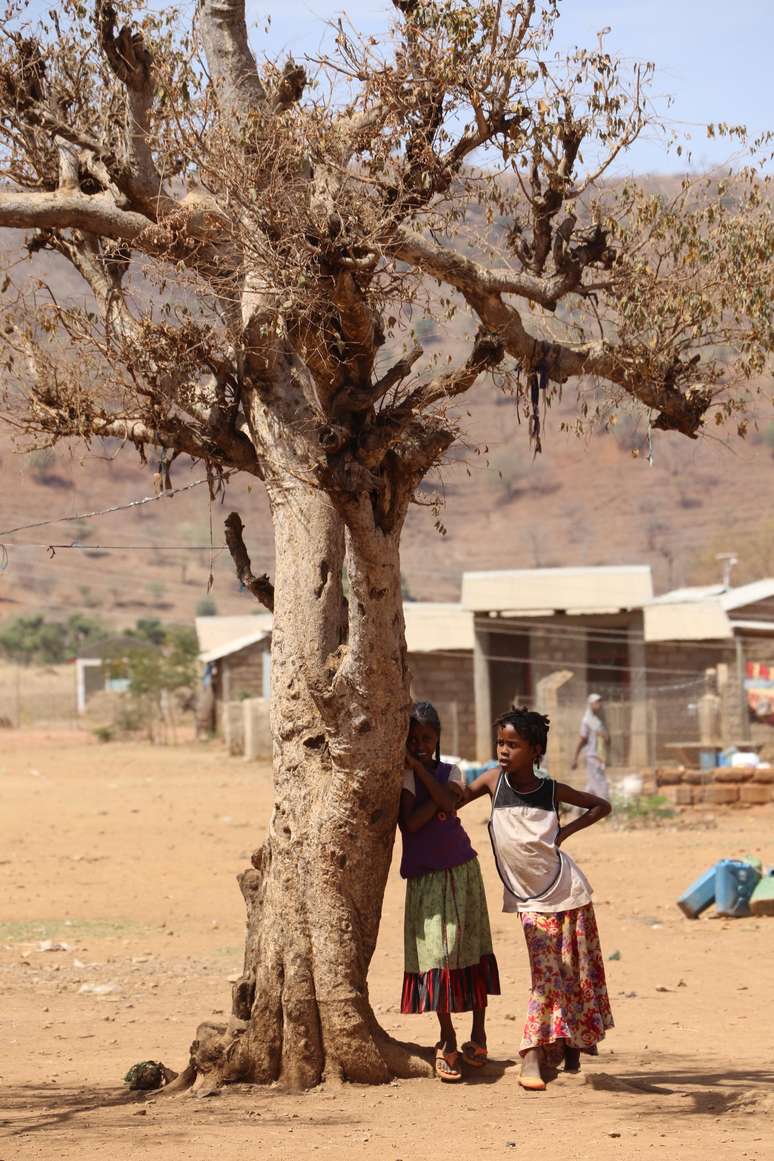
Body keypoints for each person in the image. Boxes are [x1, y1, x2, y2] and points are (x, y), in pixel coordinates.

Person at [463, 707, 613, 1091]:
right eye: (500, 743)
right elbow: (450, 803)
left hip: (568, 891)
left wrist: (565, 834)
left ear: (536, 750)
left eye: (513, 745)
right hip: (530, 902)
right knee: (546, 974)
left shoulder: (551, 791)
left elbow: (601, 805)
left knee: (571, 974)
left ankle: (559, 1048)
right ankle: (532, 1053)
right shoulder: (492, 783)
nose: (503, 751)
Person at [399, 701, 500, 1082]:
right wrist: (436, 796)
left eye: (427, 738)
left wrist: (425, 777)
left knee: (469, 950)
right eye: (414, 740)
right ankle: (447, 1037)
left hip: (461, 874)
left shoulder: (450, 770)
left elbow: (446, 803)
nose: (421, 744)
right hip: (426, 881)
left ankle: (479, 1032)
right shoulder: (404, 778)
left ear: (437, 738)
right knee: (437, 958)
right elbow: (410, 823)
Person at [571, 693, 610, 799]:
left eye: (600, 701)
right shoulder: (587, 721)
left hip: (599, 755)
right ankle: (605, 807)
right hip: (592, 756)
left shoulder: (597, 721)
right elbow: (583, 739)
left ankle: (578, 808)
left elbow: (606, 739)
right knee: (601, 784)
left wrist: (605, 736)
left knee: (592, 785)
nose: (599, 704)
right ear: (591, 704)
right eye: (597, 702)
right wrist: (575, 758)